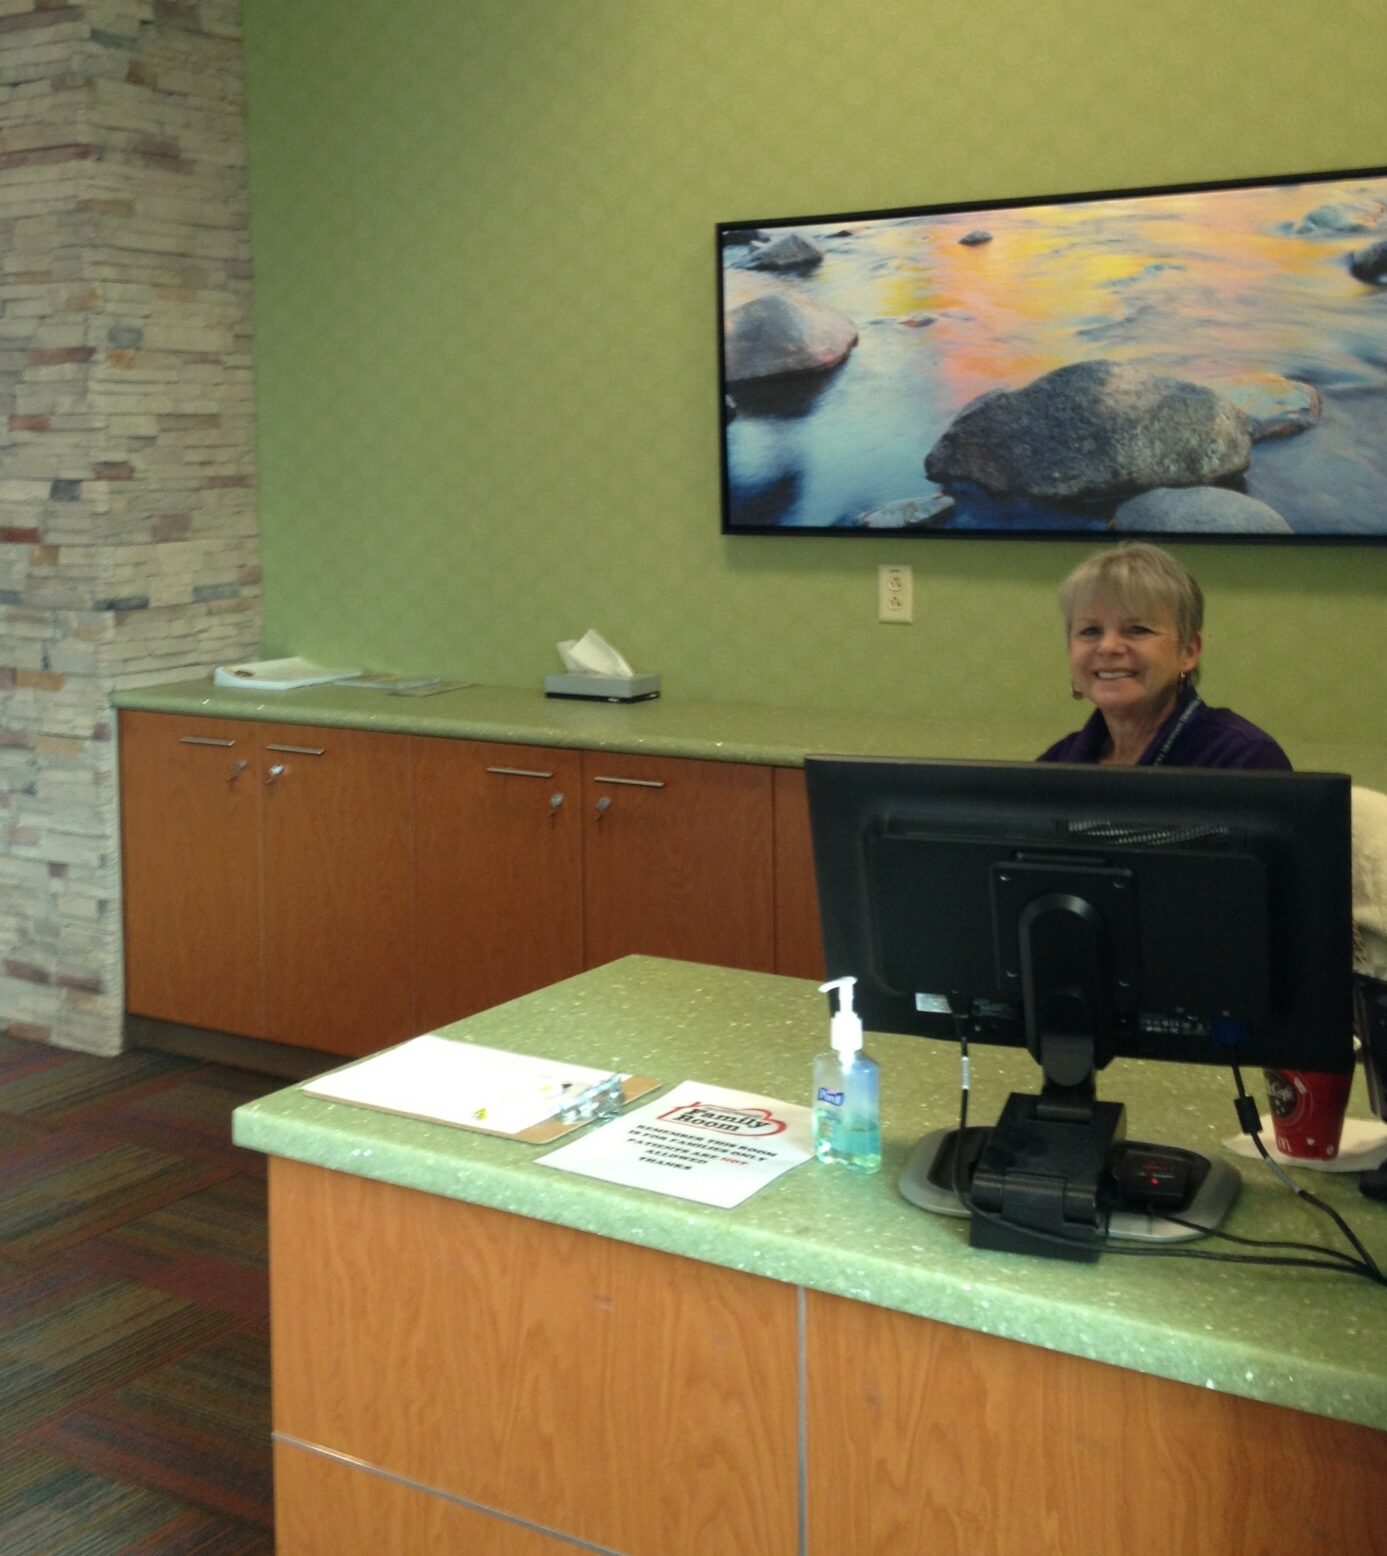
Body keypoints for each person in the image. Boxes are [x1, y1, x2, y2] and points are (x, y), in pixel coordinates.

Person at [1037, 542, 1291, 769]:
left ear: (1189, 651)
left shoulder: (1243, 759)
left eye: (1137, 630)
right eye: (1090, 631)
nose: (1108, 647)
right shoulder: (1056, 763)